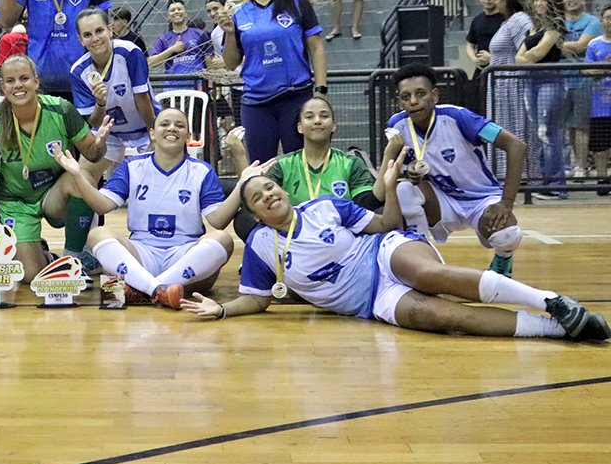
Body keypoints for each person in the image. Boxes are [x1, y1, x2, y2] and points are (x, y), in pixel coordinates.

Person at [180, 156, 610, 343]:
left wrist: (387, 190)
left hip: (383, 252)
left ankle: (551, 302)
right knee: (443, 318)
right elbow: (257, 300)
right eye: (258, 197)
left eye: (271, 187)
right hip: (371, 300)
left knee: (427, 276)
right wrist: (221, 310)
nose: (268, 196)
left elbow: (387, 225)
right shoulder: (259, 245)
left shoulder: (325, 206)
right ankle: (556, 330)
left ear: (283, 189)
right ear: (253, 212)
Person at [50, 108, 247, 309]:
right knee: (97, 234)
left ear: (188, 136)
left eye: (179, 125)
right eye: (164, 124)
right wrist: (77, 175)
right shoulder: (132, 166)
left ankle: (143, 288)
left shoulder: (202, 171)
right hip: (142, 253)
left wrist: (242, 184)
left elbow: (218, 220)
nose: (172, 128)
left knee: (223, 239)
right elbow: (101, 206)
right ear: (152, 133)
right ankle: (160, 291)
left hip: (185, 254)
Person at [0, 55, 112, 279]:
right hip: (16, 202)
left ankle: (73, 259)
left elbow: (92, 154)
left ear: (36, 81)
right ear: (2, 87)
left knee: (79, 177)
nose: (18, 85)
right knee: (29, 275)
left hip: (53, 196)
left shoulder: (61, 110)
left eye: (24, 78)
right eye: (11, 81)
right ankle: (45, 256)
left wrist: (100, 144)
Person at [387, 63, 527, 278]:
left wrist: (506, 203)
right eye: (406, 97)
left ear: (435, 95)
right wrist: (411, 171)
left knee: (508, 234)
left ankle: (503, 259)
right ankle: (422, 257)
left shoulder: (459, 117)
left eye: (420, 94)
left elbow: (516, 146)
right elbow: (403, 167)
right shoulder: (397, 125)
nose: (413, 101)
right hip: (442, 201)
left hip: (481, 200)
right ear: (399, 102)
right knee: (404, 190)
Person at [215, 0, 328, 163]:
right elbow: (230, 63)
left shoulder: (297, 1)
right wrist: (229, 33)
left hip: (296, 99)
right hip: (257, 104)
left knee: (302, 166)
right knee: (261, 169)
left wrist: (321, 92)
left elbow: (316, 47)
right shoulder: (237, 9)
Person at [223, 95, 391, 241]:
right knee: (245, 219)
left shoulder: (351, 163)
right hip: (294, 239)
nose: (317, 120)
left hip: (341, 237)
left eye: (324, 116)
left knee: (382, 213)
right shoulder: (282, 164)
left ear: (334, 125)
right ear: (299, 127)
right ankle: (269, 257)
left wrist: (389, 155)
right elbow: (253, 197)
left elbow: (367, 205)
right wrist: (239, 155)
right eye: (309, 117)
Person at [70, 8, 159, 181]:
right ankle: (92, 208)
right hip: (110, 133)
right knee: (82, 175)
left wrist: (153, 136)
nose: (95, 39)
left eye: (99, 31)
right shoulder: (78, 71)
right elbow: (94, 122)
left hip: (145, 127)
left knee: (159, 173)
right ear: (81, 40)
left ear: (110, 30)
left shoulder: (130, 53)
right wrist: (100, 103)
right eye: (87, 35)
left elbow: (142, 99)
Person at [516, 0, 567, 198]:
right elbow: (517, 57)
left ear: (552, 2)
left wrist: (526, 57)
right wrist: (526, 58)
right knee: (538, 133)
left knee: (548, 132)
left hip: (550, 81)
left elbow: (537, 53)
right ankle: (546, 179)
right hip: (531, 82)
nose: (539, 4)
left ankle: (557, 185)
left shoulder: (555, 26)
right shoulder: (532, 29)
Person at [486, 0, 533, 178]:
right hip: (499, 85)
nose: (495, 1)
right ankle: (501, 172)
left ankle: (520, 174)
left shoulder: (521, 20)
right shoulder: (506, 22)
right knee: (499, 127)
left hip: (513, 84)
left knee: (516, 127)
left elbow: (526, 49)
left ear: (508, 0)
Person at [559, 0, 601, 181]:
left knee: (581, 126)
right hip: (560, 80)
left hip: (584, 81)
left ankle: (582, 167)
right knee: (568, 126)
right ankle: (573, 163)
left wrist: (558, 44)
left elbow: (581, 45)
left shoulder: (592, 21)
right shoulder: (559, 21)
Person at [148, 0, 218, 87]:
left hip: (197, 88)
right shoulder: (163, 39)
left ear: (186, 14)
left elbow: (209, 63)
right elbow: (151, 63)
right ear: (168, 17)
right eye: (172, 10)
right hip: (172, 89)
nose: (176, 12)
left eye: (179, 9)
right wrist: (171, 50)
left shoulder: (200, 34)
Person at [584, 4, 611, 194]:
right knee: (601, 144)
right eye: (608, 17)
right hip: (600, 105)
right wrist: (604, 67)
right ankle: (602, 179)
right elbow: (588, 70)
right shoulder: (594, 44)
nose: (610, 21)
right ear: (601, 20)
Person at [464, 0, 504, 71]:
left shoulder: (506, 20)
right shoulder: (477, 20)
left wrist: (492, 58)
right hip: (481, 72)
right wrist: (474, 59)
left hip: (500, 70)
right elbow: (470, 45)